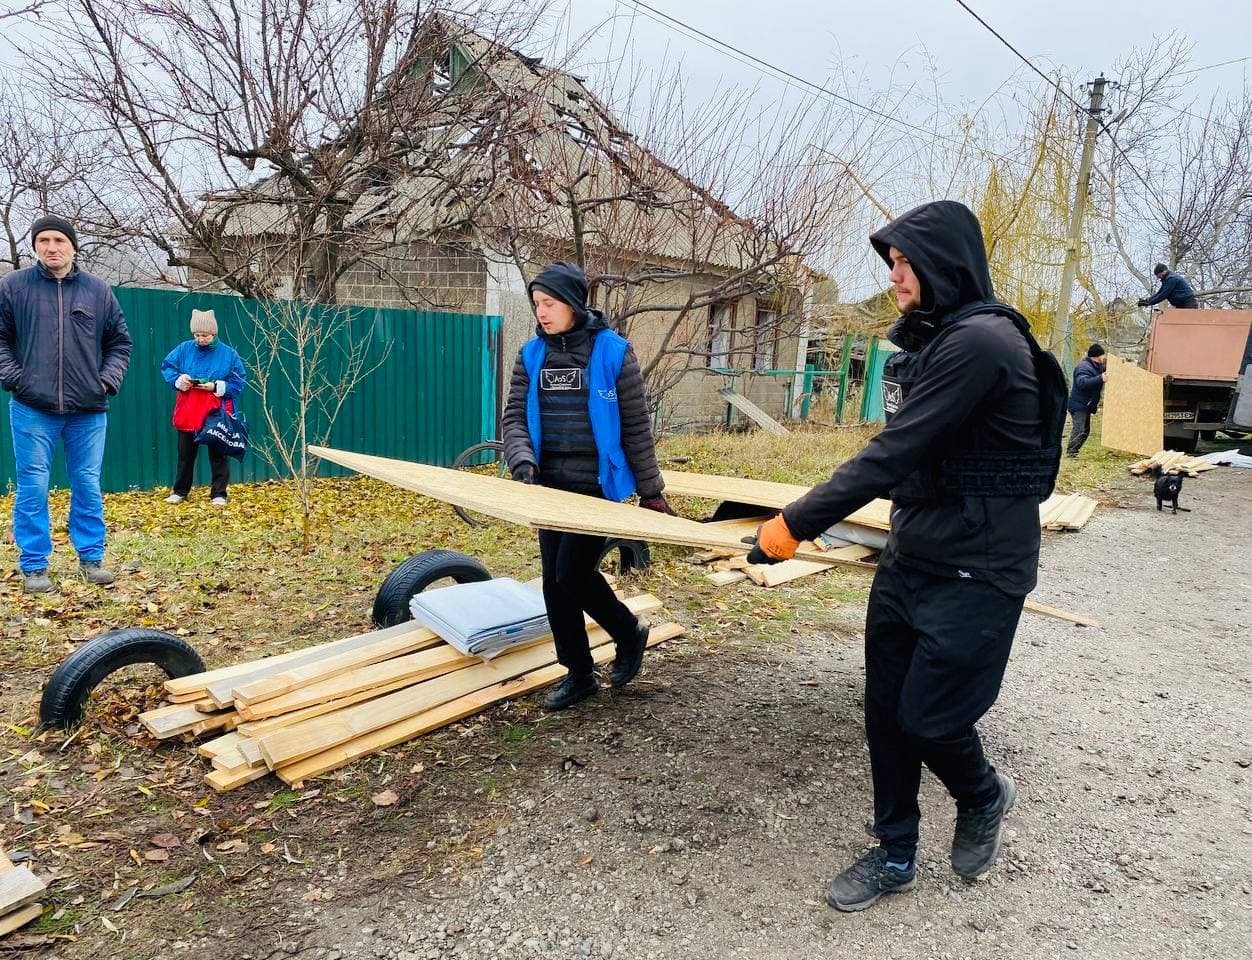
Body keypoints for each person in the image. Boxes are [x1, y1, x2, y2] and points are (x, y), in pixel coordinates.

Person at [747, 201, 1066, 912]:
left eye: (904, 263)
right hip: (912, 555)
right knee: (886, 715)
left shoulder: (981, 343)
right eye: (889, 264)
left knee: (931, 719)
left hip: (980, 570)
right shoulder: (932, 340)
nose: (894, 277)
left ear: (942, 262)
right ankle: (895, 855)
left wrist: (790, 526)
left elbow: (893, 453)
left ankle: (983, 795)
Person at [501, 261, 672, 710]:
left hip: (596, 484)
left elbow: (635, 426)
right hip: (548, 483)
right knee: (554, 584)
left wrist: (652, 492)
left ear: (574, 303)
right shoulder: (531, 355)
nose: (541, 312)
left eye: (550, 303)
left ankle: (626, 630)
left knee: (571, 573)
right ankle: (578, 674)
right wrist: (521, 459)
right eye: (536, 304)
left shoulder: (613, 352)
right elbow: (515, 417)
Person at [0, 216, 131, 593]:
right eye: (43, 240)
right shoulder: (13, 287)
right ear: (36, 246)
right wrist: (16, 379)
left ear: (73, 247)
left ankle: (91, 558)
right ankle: (34, 565)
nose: (51, 247)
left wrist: (105, 381)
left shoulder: (97, 291)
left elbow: (120, 343)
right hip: (31, 407)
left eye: (59, 240)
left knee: (87, 484)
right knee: (33, 485)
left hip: (87, 410)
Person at [160, 308, 247, 506]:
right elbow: (167, 367)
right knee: (185, 454)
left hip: (216, 410)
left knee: (218, 455)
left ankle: (219, 493)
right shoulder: (184, 349)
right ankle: (180, 491)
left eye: (205, 335)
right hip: (189, 409)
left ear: (214, 333)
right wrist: (178, 380)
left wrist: (217, 386)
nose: (201, 339)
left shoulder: (228, 354)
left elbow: (240, 380)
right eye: (197, 335)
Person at [1066, 344, 1107, 457]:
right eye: (1102, 354)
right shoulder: (1083, 367)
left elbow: (1106, 368)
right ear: (1097, 356)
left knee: (1085, 431)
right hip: (1079, 404)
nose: (1104, 356)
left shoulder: (1097, 366)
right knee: (1079, 430)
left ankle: (1073, 451)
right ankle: (1071, 452)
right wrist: (1100, 378)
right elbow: (1082, 383)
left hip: (1086, 404)